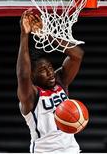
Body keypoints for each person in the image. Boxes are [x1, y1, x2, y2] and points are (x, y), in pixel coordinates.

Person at [16, 9, 84, 154]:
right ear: (33, 76)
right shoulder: (30, 96)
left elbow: (77, 55)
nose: (50, 72)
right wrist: (24, 35)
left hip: (72, 150)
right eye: (43, 70)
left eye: (50, 68)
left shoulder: (60, 82)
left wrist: (46, 34)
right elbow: (22, 75)